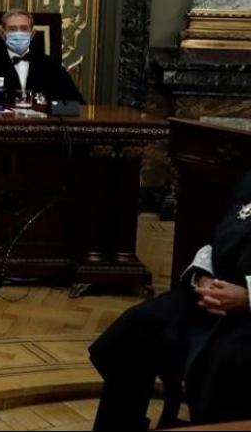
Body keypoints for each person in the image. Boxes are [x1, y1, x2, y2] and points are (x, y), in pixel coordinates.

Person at [89, 171, 251, 429]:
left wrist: (247, 297)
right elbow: (217, 238)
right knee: (139, 325)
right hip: (213, 297)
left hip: (246, 316)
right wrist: (203, 276)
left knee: (224, 363)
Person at [0, 8, 84, 105]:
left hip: (42, 128)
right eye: (12, 29)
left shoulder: (50, 65)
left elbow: (77, 103)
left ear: (32, 33)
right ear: (2, 34)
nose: (18, 33)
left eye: (24, 29)